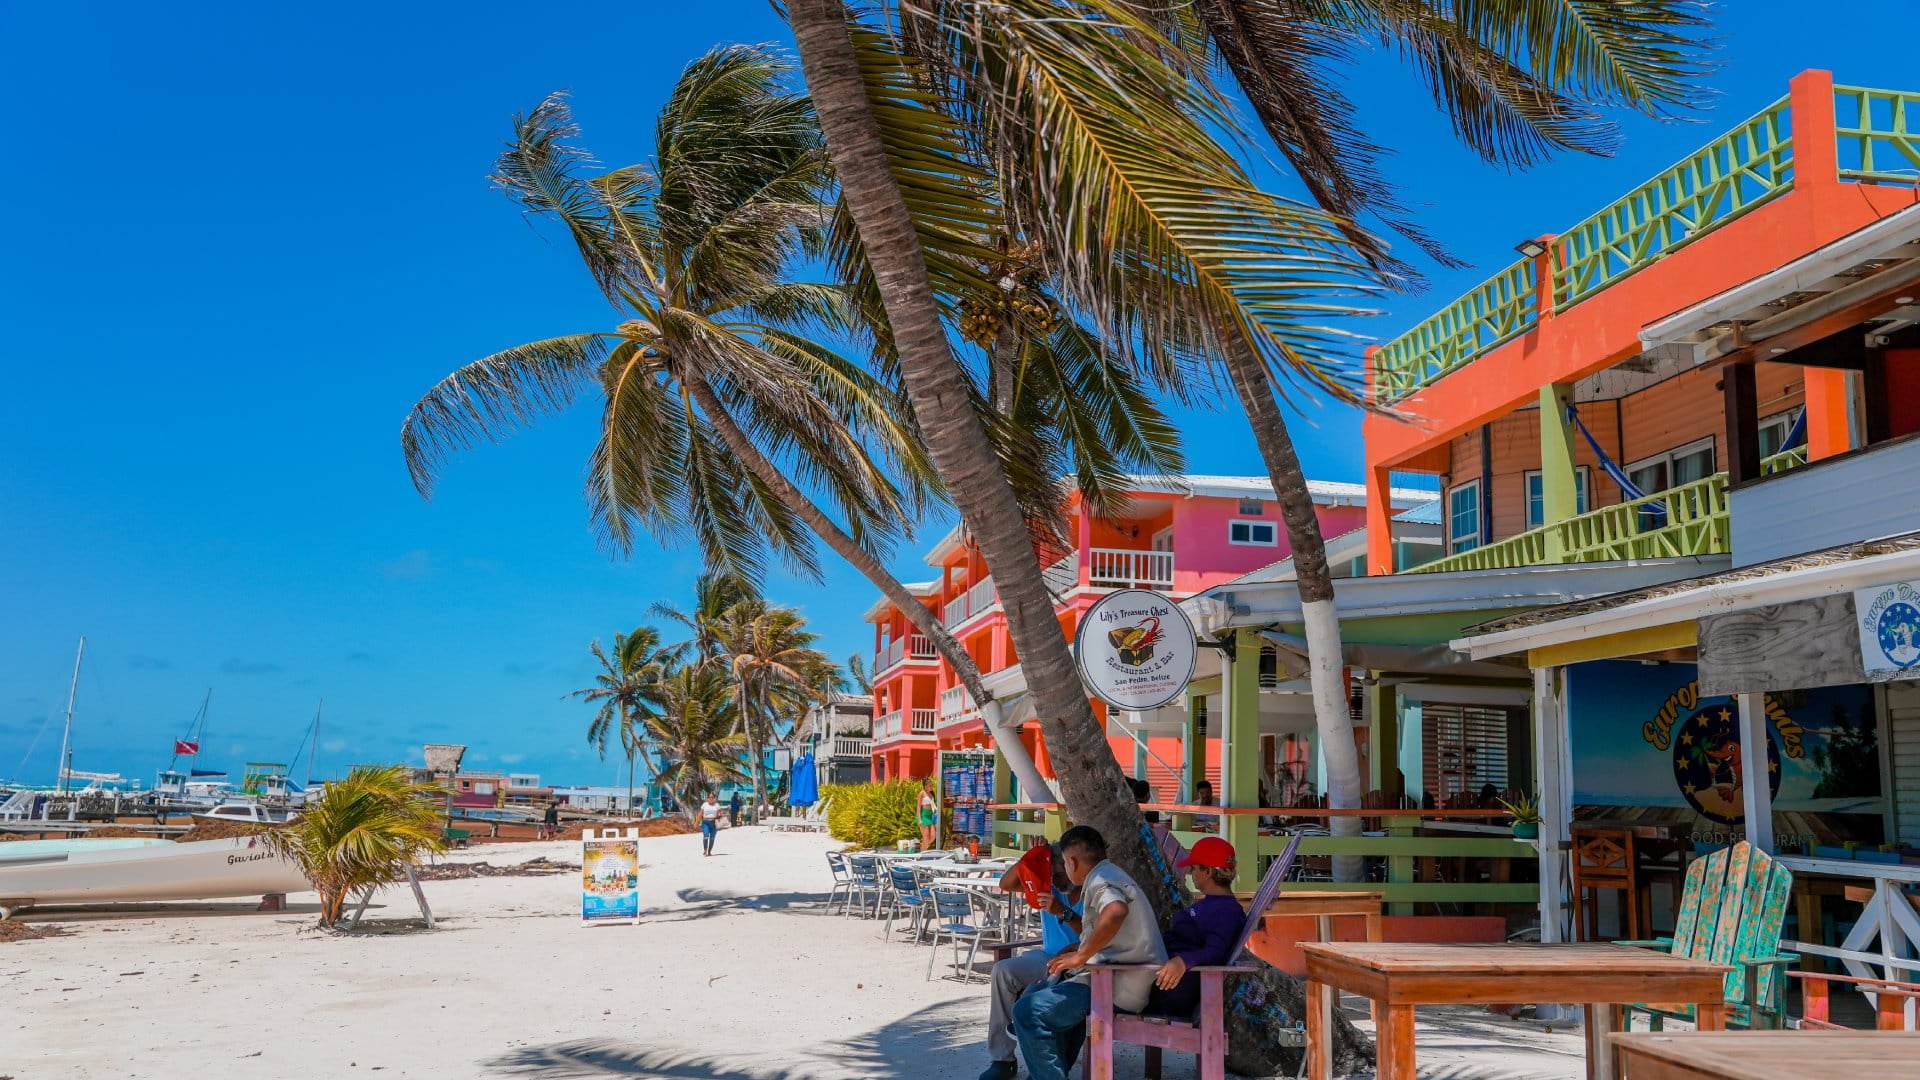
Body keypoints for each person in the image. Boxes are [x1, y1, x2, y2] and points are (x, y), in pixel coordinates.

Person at [1010, 826, 1166, 1080]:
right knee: (1041, 994)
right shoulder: (1108, 874)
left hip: (1116, 986)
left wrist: (1081, 957)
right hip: (1110, 978)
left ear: (1071, 862)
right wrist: (1080, 947)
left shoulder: (1100, 880)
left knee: (1027, 1012)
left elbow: (1115, 911)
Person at [979, 845, 1083, 1080]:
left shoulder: (1092, 890)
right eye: (1051, 875)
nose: (1056, 881)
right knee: (1002, 971)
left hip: (1082, 959)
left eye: (1059, 874)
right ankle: (1002, 1059)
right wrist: (1032, 859)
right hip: (1048, 956)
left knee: (1039, 996)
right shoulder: (1044, 886)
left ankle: (1043, 1064)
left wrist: (1062, 911)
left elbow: (1093, 933)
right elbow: (1006, 884)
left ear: (1072, 865)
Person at [1146, 837, 1248, 1017]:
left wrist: (1183, 961)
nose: (1191, 873)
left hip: (1173, 989)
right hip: (1163, 977)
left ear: (1207, 871)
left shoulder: (1226, 911)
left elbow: (1216, 951)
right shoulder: (1214, 904)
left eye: (1194, 868)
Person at [918, 778, 939, 851]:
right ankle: (922, 852)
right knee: (926, 837)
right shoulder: (922, 793)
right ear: (925, 786)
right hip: (924, 815)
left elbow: (933, 805)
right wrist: (920, 819)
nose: (931, 787)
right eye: (930, 786)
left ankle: (922, 847)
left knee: (933, 836)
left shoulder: (932, 793)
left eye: (931, 785)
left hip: (930, 816)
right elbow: (918, 806)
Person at [699, 791, 721, 856]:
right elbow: (700, 813)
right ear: (707, 798)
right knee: (706, 836)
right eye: (709, 797)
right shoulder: (704, 804)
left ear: (714, 798)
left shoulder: (717, 805)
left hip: (714, 823)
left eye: (712, 797)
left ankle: (709, 851)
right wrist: (696, 822)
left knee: (712, 838)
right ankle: (705, 850)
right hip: (705, 822)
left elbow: (720, 814)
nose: (711, 798)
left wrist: (717, 817)